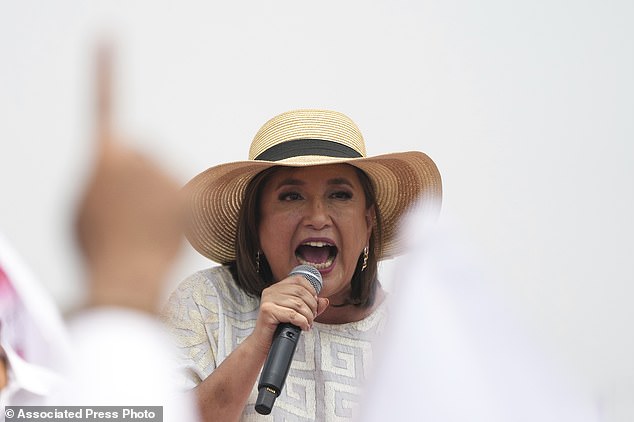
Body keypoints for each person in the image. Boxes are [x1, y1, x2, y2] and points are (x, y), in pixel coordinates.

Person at [163, 109, 442, 421]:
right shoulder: (205, 302)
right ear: (256, 224)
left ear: (368, 223)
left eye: (339, 194)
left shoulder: (409, 333)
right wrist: (257, 345)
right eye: (292, 196)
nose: (318, 217)